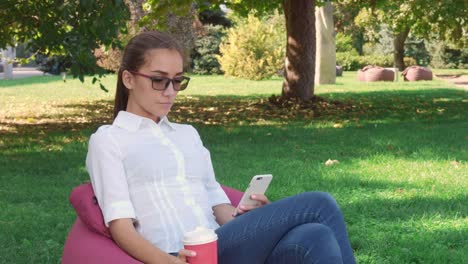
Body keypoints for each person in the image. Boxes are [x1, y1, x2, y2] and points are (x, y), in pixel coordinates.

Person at [86, 31, 356, 264]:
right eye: (159, 80)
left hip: (222, 246)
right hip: (182, 254)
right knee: (320, 204)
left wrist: (252, 218)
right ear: (128, 79)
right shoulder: (109, 140)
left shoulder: (187, 134)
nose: (170, 91)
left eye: (178, 81)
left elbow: (218, 206)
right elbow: (120, 226)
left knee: (315, 235)